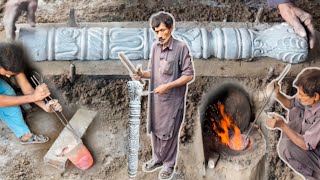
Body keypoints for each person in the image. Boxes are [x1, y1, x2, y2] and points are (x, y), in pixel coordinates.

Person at [133, 12, 194, 180]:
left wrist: (168, 85)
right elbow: (153, 73)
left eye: (162, 30)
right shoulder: (154, 48)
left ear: (171, 28)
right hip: (156, 101)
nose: (159, 35)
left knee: (169, 133)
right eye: (156, 31)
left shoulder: (181, 48)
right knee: (155, 131)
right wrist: (141, 74)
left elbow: (189, 75)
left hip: (173, 102)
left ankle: (169, 164)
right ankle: (158, 159)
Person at [0, 42, 62, 144]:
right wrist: (33, 97)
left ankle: (24, 134)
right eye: (6, 73)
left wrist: (45, 106)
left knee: (7, 93)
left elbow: (26, 87)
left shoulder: (11, 57)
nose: (7, 76)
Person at [266, 68, 320, 180]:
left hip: (315, 151)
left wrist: (283, 126)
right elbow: (292, 103)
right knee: (296, 111)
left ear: (316, 96)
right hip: (311, 140)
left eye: (301, 94)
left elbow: (306, 144)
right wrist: (277, 94)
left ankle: (314, 176)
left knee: (286, 148)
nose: (298, 96)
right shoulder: (311, 99)